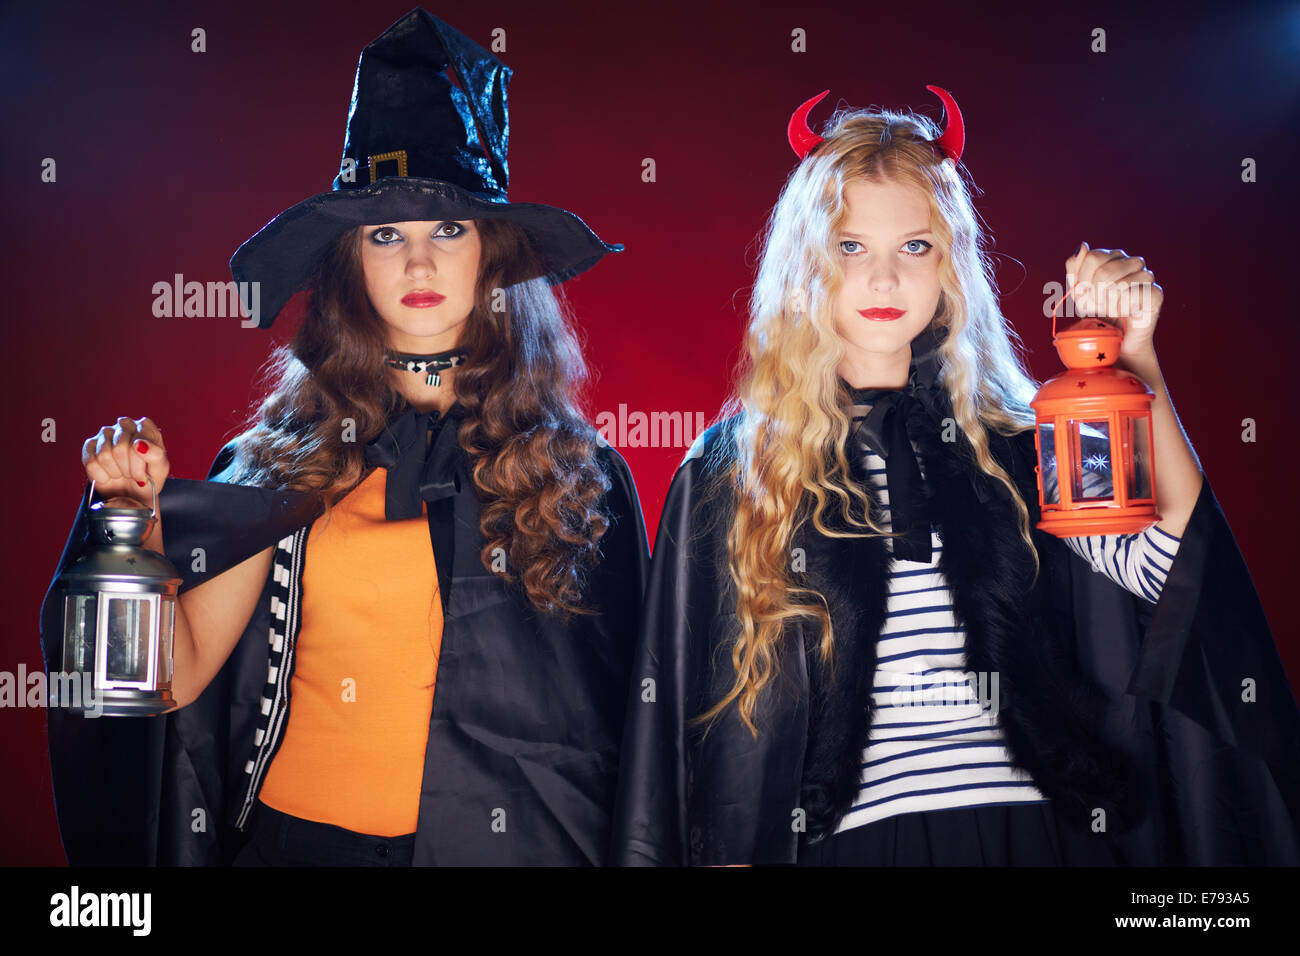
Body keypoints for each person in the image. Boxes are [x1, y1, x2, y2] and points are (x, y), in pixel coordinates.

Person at [610, 86, 1300, 866]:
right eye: (849, 248)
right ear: (807, 261)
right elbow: (687, 735)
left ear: (951, 264)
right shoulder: (735, 473)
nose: (883, 280)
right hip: (853, 844)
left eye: (914, 247)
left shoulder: (1022, 441)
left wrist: (1136, 360)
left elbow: (1169, 574)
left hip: (1036, 835)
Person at [40, 8, 648, 867]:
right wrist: (125, 525)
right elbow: (158, 683)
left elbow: (633, 736)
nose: (420, 263)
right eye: (385, 234)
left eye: (449, 228)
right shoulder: (277, 466)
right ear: (350, 265)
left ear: (494, 255)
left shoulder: (580, 479)